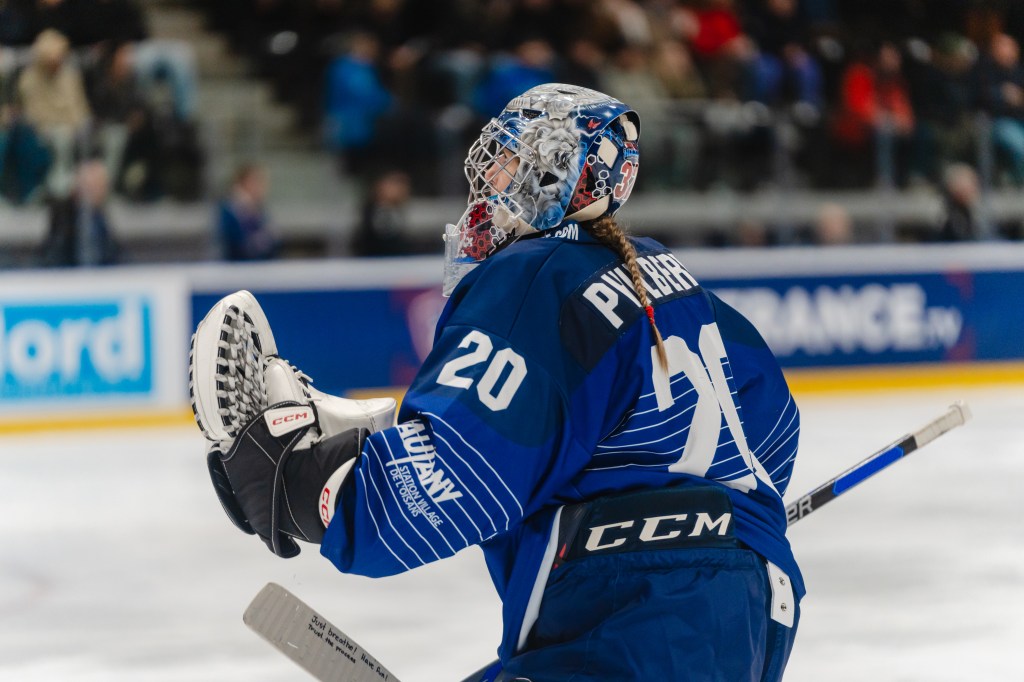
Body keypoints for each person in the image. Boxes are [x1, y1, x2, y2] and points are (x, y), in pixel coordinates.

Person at [190, 84, 803, 681]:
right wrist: (711, 537)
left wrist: (288, 480)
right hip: (754, 609)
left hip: (630, 618)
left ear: (560, 180)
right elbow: (773, 429)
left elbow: (454, 478)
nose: (487, 191)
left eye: (509, 167)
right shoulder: (663, 273)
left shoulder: (535, 279)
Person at [216, 162, 278, 261]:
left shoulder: (260, 210)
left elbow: (273, 242)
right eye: (255, 181)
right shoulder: (229, 210)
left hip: (261, 268)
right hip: (236, 270)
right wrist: (245, 209)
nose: (260, 187)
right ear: (242, 184)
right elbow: (236, 244)